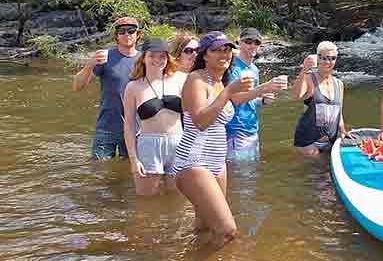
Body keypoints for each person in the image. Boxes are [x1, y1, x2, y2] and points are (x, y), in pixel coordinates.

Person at [170, 31, 253, 249]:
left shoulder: (219, 81)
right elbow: (200, 121)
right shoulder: (196, 79)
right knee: (227, 231)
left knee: (205, 227)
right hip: (193, 162)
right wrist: (227, 93)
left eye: (227, 50)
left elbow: (235, 99)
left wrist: (264, 89)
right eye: (217, 50)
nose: (224, 54)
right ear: (204, 55)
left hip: (217, 162)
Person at [122, 38, 186, 195]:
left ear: (168, 58)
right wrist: (133, 159)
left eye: (162, 56)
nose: (157, 60)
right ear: (143, 57)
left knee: (179, 198)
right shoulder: (133, 87)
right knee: (146, 200)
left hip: (179, 143)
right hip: (149, 145)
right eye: (152, 56)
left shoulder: (179, 79)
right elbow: (129, 125)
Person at [72, 16, 141, 160]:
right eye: (122, 31)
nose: (127, 34)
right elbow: (77, 86)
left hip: (135, 128)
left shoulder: (144, 60)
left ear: (138, 34)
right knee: (99, 170)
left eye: (131, 30)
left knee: (130, 171)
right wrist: (89, 64)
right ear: (116, 36)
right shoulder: (105, 57)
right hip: (106, 126)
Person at [225, 28, 285, 161]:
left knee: (250, 174)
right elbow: (235, 99)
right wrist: (264, 87)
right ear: (239, 43)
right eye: (248, 41)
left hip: (252, 129)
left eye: (256, 42)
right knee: (240, 175)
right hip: (235, 130)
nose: (253, 46)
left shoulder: (254, 69)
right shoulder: (232, 67)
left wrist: (262, 100)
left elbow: (250, 99)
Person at [291, 41, 349, 156]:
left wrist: (343, 130)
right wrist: (304, 70)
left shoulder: (339, 84)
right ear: (317, 58)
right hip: (308, 142)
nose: (328, 62)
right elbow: (295, 95)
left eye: (332, 58)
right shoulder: (308, 78)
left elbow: (338, 111)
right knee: (320, 171)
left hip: (330, 141)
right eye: (324, 58)